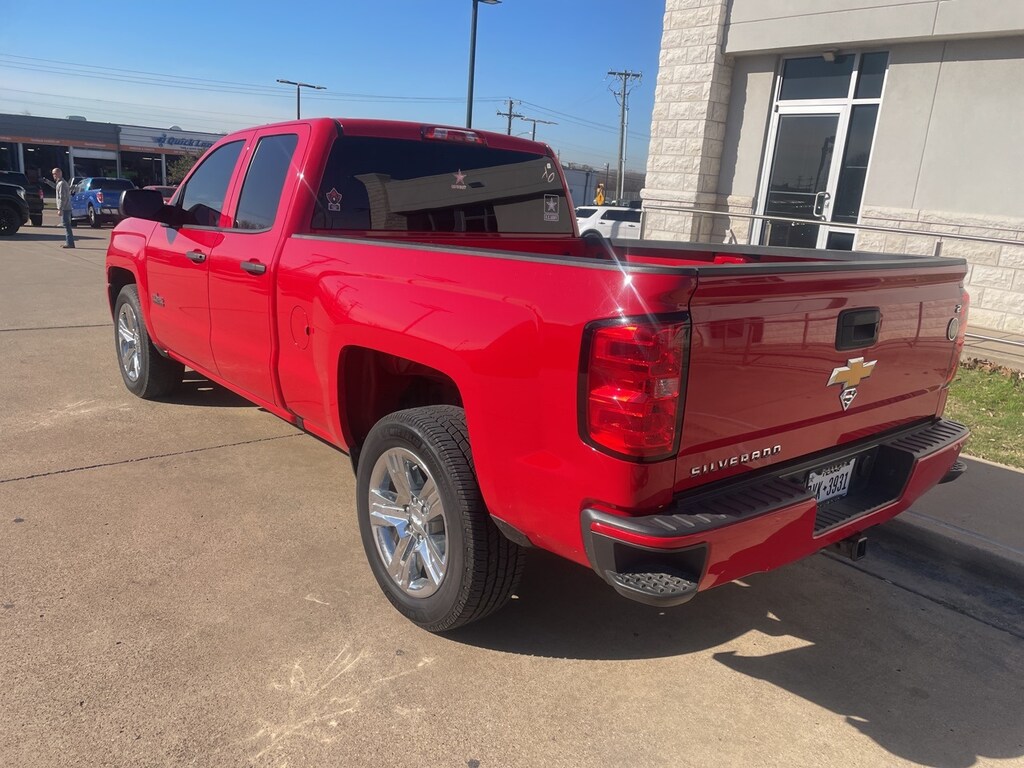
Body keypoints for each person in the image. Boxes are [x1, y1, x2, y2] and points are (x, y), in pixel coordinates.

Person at [52, 167, 74, 249]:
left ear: (59, 173)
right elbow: (55, 187)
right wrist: (47, 182)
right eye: (53, 174)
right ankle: (69, 242)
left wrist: (60, 209)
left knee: (67, 226)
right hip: (66, 207)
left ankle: (70, 243)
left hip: (65, 208)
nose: (54, 175)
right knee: (66, 225)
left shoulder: (62, 184)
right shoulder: (60, 183)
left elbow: (62, 197)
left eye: (55, 174)